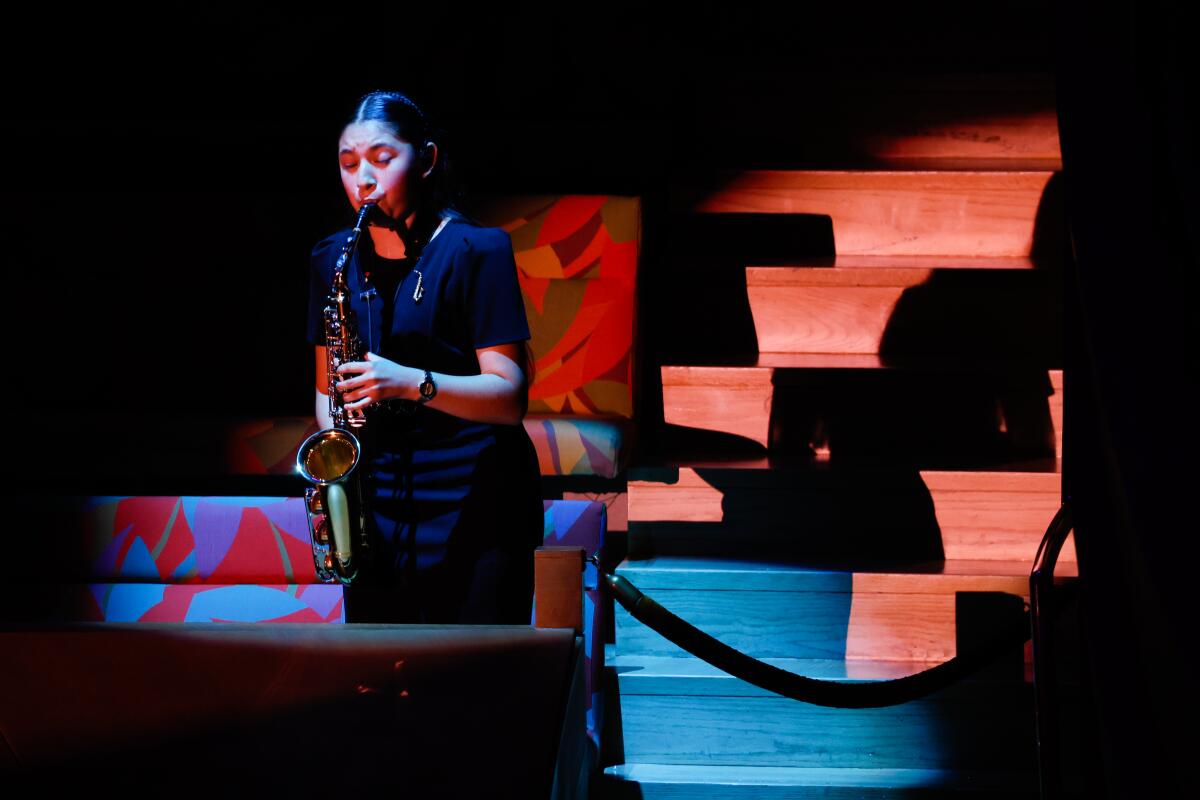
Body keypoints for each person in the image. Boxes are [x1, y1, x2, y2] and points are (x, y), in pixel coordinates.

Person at [307, 90, 542, 624]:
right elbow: (325, 395)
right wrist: (342, 434)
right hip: (376, 499)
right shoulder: (331, 259)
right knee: (379, 683)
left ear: (428, 160)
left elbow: (508, 398)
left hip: (478, 498)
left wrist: (409, 382)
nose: (362, 178)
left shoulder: (476, 250)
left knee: (476, 683)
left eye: (382, 159)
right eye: (348, 164)